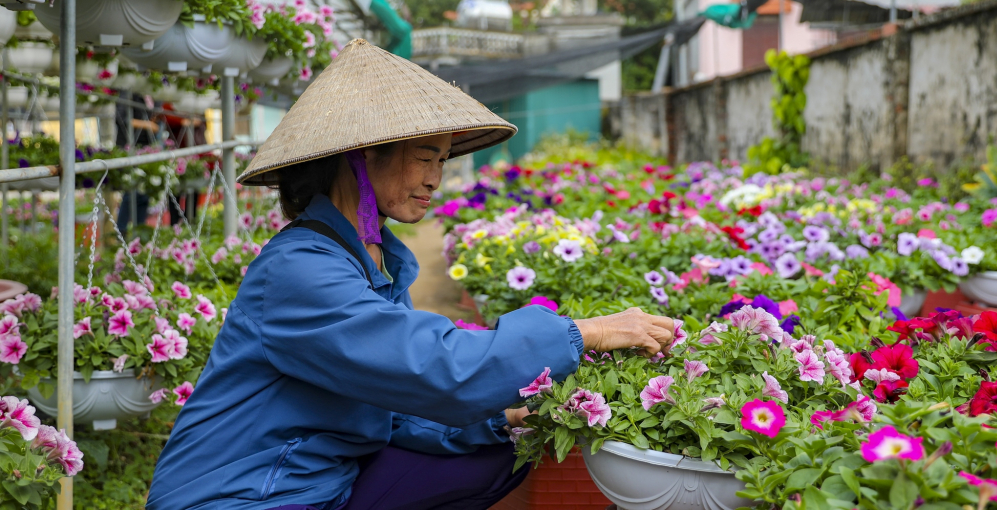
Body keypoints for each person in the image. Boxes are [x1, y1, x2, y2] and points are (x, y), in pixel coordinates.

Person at [148, 39, 675, 510]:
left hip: (317, 481)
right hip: (245, 494)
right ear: (361, 156)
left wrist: (503, 419)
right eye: (425, 158)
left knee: (502, 447)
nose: (435, 179)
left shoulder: (368, 260)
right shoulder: (300, 270)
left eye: (442, 161)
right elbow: (434, 367)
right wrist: (584, 331)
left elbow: (391, 405)